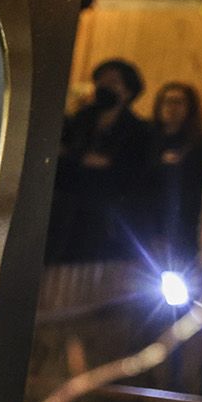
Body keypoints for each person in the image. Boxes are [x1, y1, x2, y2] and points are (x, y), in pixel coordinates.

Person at [45, 58, 153, 264]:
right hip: (66, 211)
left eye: (112, 82)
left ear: (128, 91)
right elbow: (61, 156)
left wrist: (84, 160)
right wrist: (84, 159)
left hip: (105, 217)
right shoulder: (81, 119)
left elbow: (129, 173)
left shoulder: (138, 130)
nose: (104, 87)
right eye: (101, 81)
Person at [147, 81, 202, 270]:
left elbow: (190, 191)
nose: (171, 108)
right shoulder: (147, 137)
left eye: (178, 102)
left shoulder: (197, 143)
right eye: (167, 102)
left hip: (179, 224)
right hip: (146, 219)